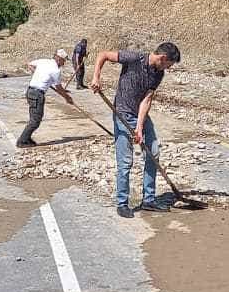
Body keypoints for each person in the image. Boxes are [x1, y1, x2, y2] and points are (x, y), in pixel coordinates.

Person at [90, 42, 181, 218]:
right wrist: (96, 77)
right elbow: (103, 55)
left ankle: (148, 200)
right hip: (122, 113)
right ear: (162, 58)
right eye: (169, 64)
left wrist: (139, 127)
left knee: (153, 152)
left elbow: (146, 100)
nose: (168, 68)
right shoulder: (134, 58)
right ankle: (122, 203)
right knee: (125, 161)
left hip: (139, 115)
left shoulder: (158, 74)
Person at [17, 49, 74, 148]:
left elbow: (30, 64)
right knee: (35, 120)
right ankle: (22, 141)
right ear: (58, 58)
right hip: (37, 94)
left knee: (33, 119)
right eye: (63, 60)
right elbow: (59, 88)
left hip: (31, 91)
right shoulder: (56, 70)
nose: (64, 63)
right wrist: (67, 98)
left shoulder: (44, 61)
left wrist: (40, 75)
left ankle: (27, 138)